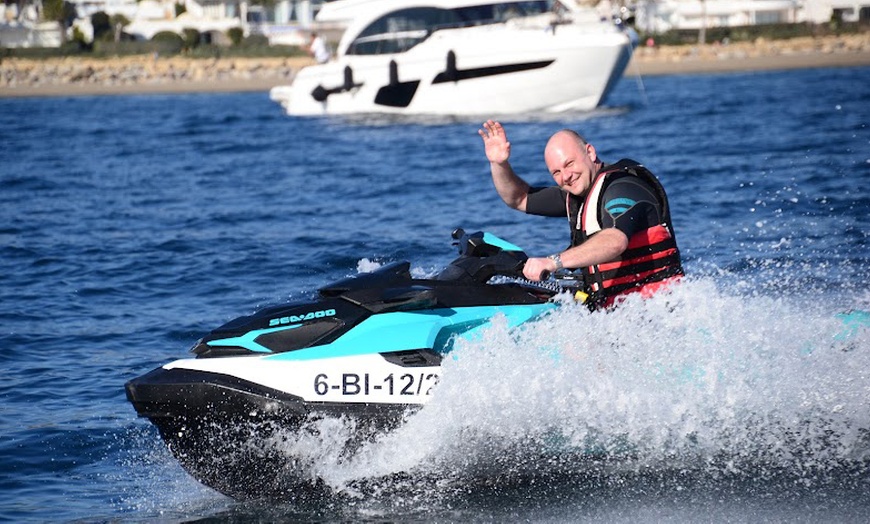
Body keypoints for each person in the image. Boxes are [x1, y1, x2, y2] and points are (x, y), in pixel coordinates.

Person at [478, 120, 683, 309]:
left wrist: (553, 262)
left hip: (657, 310)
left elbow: (614, 241)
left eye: (569, 164)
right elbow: (519, 198)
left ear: (590, 152)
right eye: (556, 172)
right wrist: (499, 164)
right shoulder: (576, 195)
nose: (566, 176)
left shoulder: (624, 187)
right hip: (618, 312)